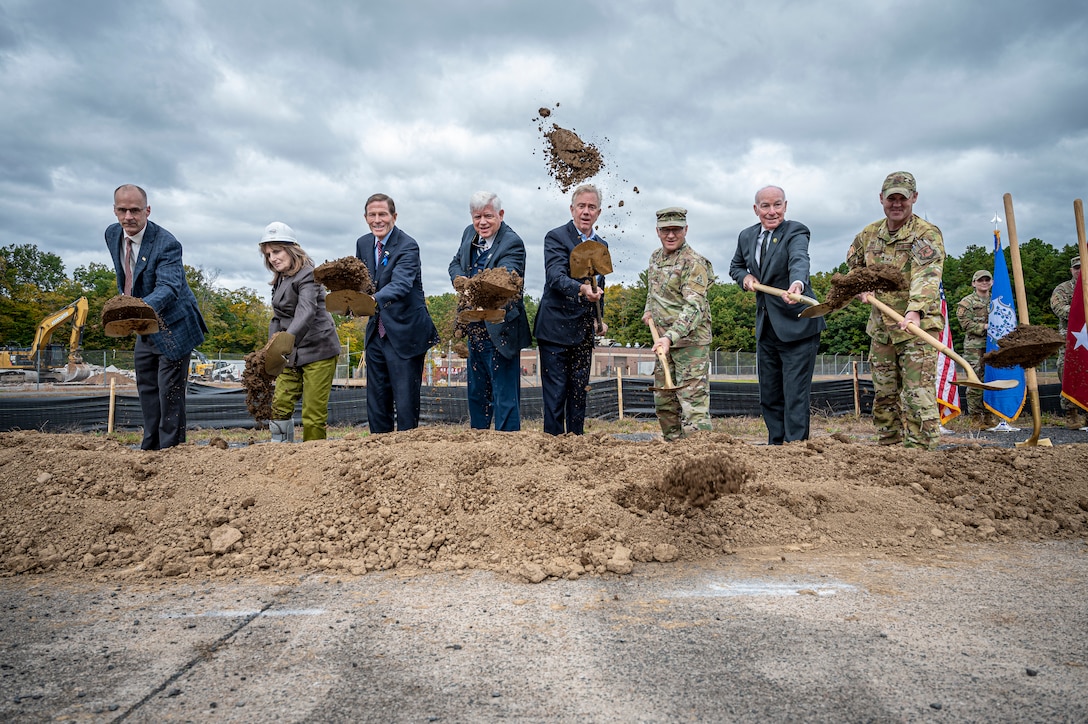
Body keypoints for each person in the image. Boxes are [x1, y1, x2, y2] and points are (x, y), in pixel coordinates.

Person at [846, 171, 945, 450]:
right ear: (881, 199)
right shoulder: (868, 235)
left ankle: (921, 453)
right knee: (884, 395)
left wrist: (915, 311)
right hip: (882, 329)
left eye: (903, 198)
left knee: (918, 395)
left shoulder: (925, 234)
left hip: (916, 328)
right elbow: (853, 266)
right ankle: (889, 450)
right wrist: (861, 285)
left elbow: (927, 274)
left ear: (914, 198)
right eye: (892, 198)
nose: (897, 204)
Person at [105, 184, 208, 450]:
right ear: (114, 210)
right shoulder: (112, 234)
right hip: (145, 326)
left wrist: (132, 310)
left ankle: (170, 451)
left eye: (135, 210)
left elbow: (169, 288)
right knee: (148, 390)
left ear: (147, 210)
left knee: (169, 394)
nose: (129, 217)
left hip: (175, 325)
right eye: (122, 210)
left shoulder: (167, 244)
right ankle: (149, 448)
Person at [729, 186, 826, 444]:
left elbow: (799, 259)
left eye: (777, 205)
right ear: (756, 209)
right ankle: (776, 445)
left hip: (797, 326)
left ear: (785, 205)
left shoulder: (796, 231)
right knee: (769, 393)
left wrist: (797, 284)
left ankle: (795, 449)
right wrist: (745, 277)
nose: (772, 212)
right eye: (765, 206)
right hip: (767, 327)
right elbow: (735, 267)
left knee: (794, 393)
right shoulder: (746, 236)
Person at [355, 193, 439, 433]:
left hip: (405, 332)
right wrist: (350, 300)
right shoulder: (363, 243)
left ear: (394, 216)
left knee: (404, 401)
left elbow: (401, 285)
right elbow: (363, 281)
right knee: (377, 399)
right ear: (365, 217)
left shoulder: (408, 245)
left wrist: (369, 300)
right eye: (372, 215)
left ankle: (407, 455)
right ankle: (378, 450)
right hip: (376, 333)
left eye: (383, 214)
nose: (377, 220)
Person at [448, 192, 532, 431]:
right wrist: (458, 278)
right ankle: (479, 441)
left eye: (488, 216)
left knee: (504, 396)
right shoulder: (468, 234)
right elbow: (455, 262)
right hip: (475, 327)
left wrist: (471, 286)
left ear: (500, 215)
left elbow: (506, 279)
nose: (482, 222)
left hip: (501, 329)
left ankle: (507, 447)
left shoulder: (512, 243)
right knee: (477, 393)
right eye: (477, 217)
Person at [533, 183, 608, 435]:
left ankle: (576, 446)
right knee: (555, 396)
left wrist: (600, 320)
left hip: (583, 333)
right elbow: (554, 276)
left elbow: (601, 286)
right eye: (581, 206)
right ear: (572, 209)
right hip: (555, 330)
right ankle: (552, 448)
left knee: (578, 395)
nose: (586, 212)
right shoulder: (555, 237)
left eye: (592, 207)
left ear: (598, 212)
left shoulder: (601, 244)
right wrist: (581, 289)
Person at [260, 222, 342, 442]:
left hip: (318, 350)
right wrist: (270, 349)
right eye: (268, 254)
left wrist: (285, 342)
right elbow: (277, 318)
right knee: (280, 405)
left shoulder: (309, 275)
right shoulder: (280, 279)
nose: (272, 258)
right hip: (291, 353)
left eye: (276, 251)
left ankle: (312, 463)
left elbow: (306, 312)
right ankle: (281, 453)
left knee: (313, 414)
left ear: (291, 249)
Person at [643, 207, 715, 441]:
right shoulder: (655, 258)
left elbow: (694, 307)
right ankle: (674, 450)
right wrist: (648, 310)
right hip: (663, 344)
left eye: (676, 230)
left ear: (686, 230)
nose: (671, 235)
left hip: (690, 344)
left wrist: (670, 336)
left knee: (692, 404)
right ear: (657, 231)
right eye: (666, 230)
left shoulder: (694, 263)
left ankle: (703, 458)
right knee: (664, 402)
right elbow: (653, 290)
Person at [956, 270, 992, 420]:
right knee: (975, 381)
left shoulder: (998, 299)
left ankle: (991, 415)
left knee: (992, 380)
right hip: (974, 347)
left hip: (994, 346)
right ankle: (976, 417)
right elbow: (965, 323)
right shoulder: (966, 302)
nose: (984, 282)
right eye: (980, 280)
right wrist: (984, 327)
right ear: (974, 283)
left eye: (987, 279)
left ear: (992, 282)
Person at [1050, 255, 1083, 423]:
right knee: (1066, 371)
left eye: (1083, 266)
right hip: (1070, 338)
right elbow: (1058, 307)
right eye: (1077, 268)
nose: (1080, 270)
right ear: (1071, 270)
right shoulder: (1063, 289)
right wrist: (1080, 311)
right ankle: (1071, 413)